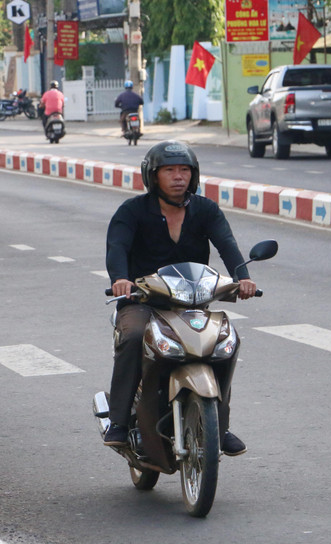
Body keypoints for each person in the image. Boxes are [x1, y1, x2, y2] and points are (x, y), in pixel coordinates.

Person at [104, 141, 257, 456]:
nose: (178, 177)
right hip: (141, 301)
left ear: (194, 174)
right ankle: (118, 421)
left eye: (184, 170)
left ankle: (220, 424)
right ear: (153, 175)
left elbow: (226, 243)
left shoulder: (205, 209)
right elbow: (117, 247)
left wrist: (243, 278)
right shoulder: (132, 211)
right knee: (133, 337)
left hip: (190, 303)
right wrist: (120, 279)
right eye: (169, 170)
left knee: (224, 345)